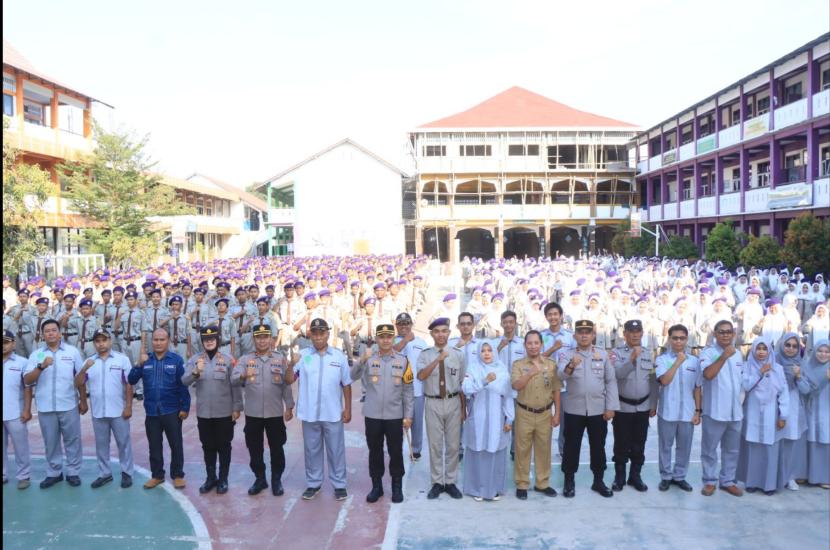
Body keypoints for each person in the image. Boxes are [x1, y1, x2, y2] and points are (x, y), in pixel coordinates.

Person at [351, 323, 414, 503]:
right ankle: (376, 486)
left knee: (395, 452)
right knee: (375, 451)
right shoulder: (369, 359)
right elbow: (352, 375)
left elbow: (408, 390)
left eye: (389, 337)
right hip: (372, 415)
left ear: (393, 338)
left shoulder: (403, 361)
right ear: (377, 339)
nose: (385, 340)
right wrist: (362, 358)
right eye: (382, 337)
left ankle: (396, 486)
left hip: (395, 415)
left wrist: (408, 415)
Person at [557, 319, 619, 498]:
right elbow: (560, 375)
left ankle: (598, 481)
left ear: (593, 335)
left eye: (587, 332)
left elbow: (611, 381)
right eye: (580, 332)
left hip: (598, 409)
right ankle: (569, 481)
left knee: (598, 446)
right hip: (574, 409)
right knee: (571, 446)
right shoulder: (566, 354)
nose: (584, 335)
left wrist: (611, 407)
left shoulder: (602, 355)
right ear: (575, 335)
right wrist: (571, 365)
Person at [23, 319, 88, 488]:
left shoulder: (72, 352)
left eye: (54, 330)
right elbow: (27, 379)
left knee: (72, 439)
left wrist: (83, 400)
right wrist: (41, 367)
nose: (51, 333)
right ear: (43, 335)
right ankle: (54, 472)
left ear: (60, 333)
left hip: (68, 404)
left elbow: (81, 378)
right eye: (47, 331)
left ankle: (73, 472)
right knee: (50, 441)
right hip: (46, 405)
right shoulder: (36, 354)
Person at [234, 323, 295, 497]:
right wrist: (243, 375)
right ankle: (260, 478)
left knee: (277, 447)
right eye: (258, 337)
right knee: (254, 448)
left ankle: (277, 479)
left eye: (265, 337)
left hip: (274, 413)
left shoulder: (279, 358)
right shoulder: (245, 360)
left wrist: (289, 406)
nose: (262, 341)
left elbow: (286, 385)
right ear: (253, 339)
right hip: (253, 413)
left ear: (271, 339)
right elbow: (233, 379)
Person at [294, 318, 352, 501]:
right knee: (312, 450)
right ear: (310, 334)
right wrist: (290, 363)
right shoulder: (303, 355)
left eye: (322, 333)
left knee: (336, 450)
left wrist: (348, 408)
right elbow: (289, 379)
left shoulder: (338, 357)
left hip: (332, 412)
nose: (318, 337)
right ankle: (314, 483)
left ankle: (339, 484)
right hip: (310, 413)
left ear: (328, 334)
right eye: (315, 333)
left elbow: (346, 384)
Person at [182, 326, 242, 495]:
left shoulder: (228, 359)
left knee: (224, 446)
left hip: (224, 413)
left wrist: (237, 407)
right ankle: (210, 478)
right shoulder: (195, 359)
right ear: (202, 341)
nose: (209, 341)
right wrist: (195, 372)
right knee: (207, 446)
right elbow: (184, 381)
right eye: (206, 339)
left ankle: (223, 479)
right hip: (204, 413)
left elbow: (236, 386)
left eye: (212, 339)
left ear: (217, 340)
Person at [127, 328, 190, 489]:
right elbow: (132, 379)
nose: (158, 343)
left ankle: (177, 474)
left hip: (172, 410)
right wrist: (138, 364)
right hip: (152, 411)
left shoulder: (176, 360)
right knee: (154, 446)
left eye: (162, 340)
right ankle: (157, 475)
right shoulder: (145, 359)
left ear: (168, 341)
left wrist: (185, 407)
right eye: (155, 340)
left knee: (176, 444)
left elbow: (183, 385)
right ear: (151, 341)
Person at [74, 328, 135, 489]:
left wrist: (128, 406)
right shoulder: (89, 362)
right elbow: (78, 383)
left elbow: (129, 384)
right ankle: (104, 473)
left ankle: (127, 472)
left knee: (123, 442)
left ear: (110, 341)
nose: (101, 344)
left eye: (104, 340)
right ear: (94, 343)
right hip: (98, 411)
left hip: (118, 410)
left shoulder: (122, 360)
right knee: (101, 444)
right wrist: (84, 369)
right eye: (97, 341)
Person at [416, 317, 466, 500]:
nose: (441, 335)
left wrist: (463, 408)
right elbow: (421, 376)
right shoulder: (425, 354)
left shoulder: (458, 354)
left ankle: (451, 481)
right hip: (433, 402)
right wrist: (438, 359)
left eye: (444, 331)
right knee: (435, 445)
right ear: (432, 334)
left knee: (453, 445)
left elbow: (462, 382)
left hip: (453, 401)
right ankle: (437, 482)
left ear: (449, 333)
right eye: (437, 331)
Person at [460, 341, 513, 502]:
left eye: (490, 350)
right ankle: (477, 489)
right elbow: (467, 389)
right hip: (478, 417)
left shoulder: (502, 369)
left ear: (494, 352)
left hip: (497, 417)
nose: (486, 353)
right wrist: (484, 381)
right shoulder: (473, 368)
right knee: (478, 451)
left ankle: (494, 488)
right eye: (483, 351)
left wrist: (509, 418)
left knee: (495, 450)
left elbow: (508, 396)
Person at [610, 319, 658, 492]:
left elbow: (653, 381)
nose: (635, 334)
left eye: (638, 331)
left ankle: (635, 476)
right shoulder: (616, 353)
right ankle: (620, 477)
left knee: (639, 443)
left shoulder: (648, 353)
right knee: (621, 443)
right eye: (631, 331)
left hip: (643, 407)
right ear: (625, 334)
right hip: (623, 407)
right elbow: (617, 374)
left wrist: (653, 403)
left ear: (642, 333)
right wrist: (631, 358)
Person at [511, 331, 560, 500]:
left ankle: (542, 483)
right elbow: (516, 385)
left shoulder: (551, 364)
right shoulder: (518, 365)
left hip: (545, 413)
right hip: (524, 412)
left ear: (541, 344)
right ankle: (522, 483)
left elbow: (556, 390)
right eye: (529, 343)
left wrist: (557, 413)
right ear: (525, 345)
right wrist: (530, 372)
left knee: (544, 450)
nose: (533, 346)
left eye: (536, 343)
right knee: (522, 450)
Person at [699, 319, 745, 497]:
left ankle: (727, 480)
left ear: (733, 334)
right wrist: (724, 356)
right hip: (715, 411)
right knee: (709, 449)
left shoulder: (739, 354)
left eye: (729, 332)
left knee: (732, 450)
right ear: (715, 334)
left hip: (735, 411)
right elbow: (708, 375)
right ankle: (709, 481)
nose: (726, 334)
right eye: (721, 332)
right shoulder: (708, 353)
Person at [736, 338, 789, 495]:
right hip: (751, 413)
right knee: (753, 449)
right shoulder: (747, 367)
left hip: (771, 415)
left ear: (769, 351)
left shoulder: (777, 369)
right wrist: (760, 372)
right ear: (752, 350)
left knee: (769, 450)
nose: (761, 352)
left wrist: (783, 416)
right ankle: (751, 482)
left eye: (764, 349)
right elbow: (746, 386)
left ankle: (769, 485)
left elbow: (784, 393)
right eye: (758, 348)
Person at [654, 324, 701, 492]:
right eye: (675, 338)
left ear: (687, 340)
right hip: (667, 411)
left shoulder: (695, 361)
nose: (678, 341)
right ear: (669, 339)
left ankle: (680, 476)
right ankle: (666, 476)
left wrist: (697, 411)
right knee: (665, 446)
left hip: (688, 412)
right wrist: (678, 362)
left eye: (682, 338)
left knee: (685, 446)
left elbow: (697, 388)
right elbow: (664, 381)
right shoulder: (662, 360)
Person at [775, 332, 808, 490]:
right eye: (787, 345)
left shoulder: (800, 364)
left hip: (794, 406)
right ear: (782, 345)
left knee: (790, 443)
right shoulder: (774, 361)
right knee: (776, 443)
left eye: (794, 346)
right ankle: (774, 475)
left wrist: (798, 376)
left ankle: (789, 476)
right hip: (776, 406)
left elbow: (806, 389)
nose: (790, 348)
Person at [796, 339, 830, 488]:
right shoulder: (807, 366)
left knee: (824, 440)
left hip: (826, 410)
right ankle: (804, 474)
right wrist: (798, 377)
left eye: (827, 351)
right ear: (814, 351)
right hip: (809, 410)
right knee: (808, 441)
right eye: (820, 351)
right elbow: (805, 390)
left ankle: (824, 476)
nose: (823, 354)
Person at [393, 312, 427, 461]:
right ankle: (396, 448)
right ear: (396, 326)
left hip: (417, 388)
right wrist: (405, 340)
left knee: (417, 422)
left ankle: (416, 449)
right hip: (396, 390)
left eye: (407, 323)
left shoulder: (421, 342)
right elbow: (388, 354)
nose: (404, 326)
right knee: (395, 422)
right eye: (400, 323)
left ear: (411, 324)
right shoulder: (391, 341)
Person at [3, 330, 32, 489]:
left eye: (6, 342)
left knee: (21, 446)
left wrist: (27, 409)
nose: (3, 346)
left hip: (15, 412)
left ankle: (23, 475)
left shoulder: (22, 362)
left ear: (13, 344)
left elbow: (27, 388)